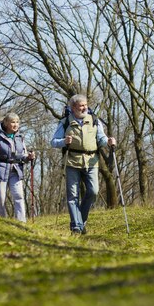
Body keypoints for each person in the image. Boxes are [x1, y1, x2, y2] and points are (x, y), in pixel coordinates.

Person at [51, 94, 116, 234]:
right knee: (72, 196)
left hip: (91, 161)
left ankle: (81, 220)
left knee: (93, 191)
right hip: (72, 161)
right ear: (73, 107)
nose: (85, 107)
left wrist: (108, 141)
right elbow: (53, 142)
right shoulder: (65, 122)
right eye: (81, 105)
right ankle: (76, 226)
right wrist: (63, 142)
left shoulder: (94, 120)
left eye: (85, 105)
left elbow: (101, 138)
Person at [0, 112, 36, 222]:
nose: (16, 125)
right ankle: (2, 221)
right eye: (13, 122)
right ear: (6, 123)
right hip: (0, 170)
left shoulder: (20, 137)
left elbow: (23, 155)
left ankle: (22, 222)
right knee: (0, 199)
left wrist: (29, 157)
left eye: (17, 122)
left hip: (15, 170)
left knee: (19, 196)